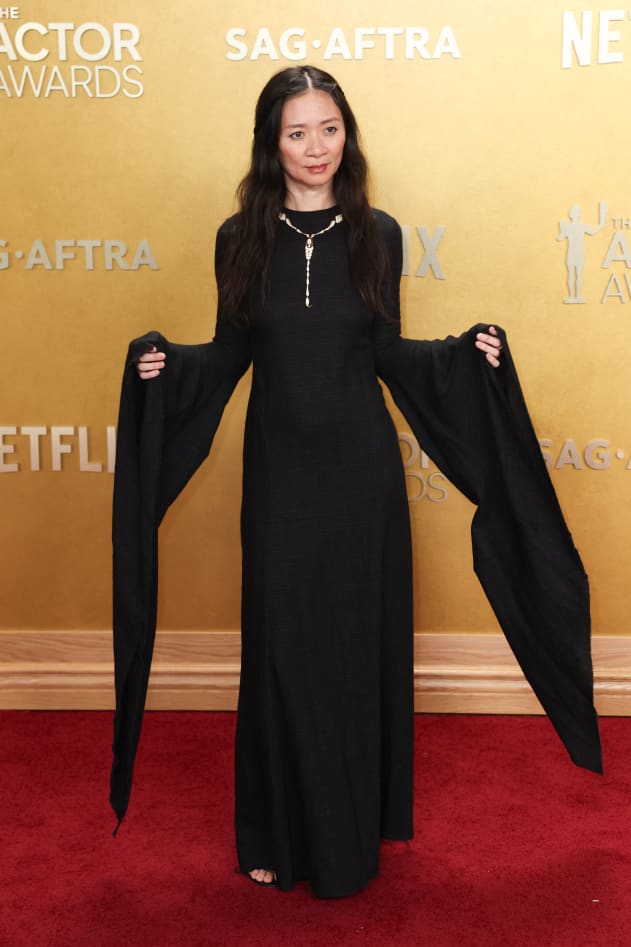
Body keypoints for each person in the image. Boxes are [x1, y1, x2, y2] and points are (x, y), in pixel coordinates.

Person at [111, 65, 600, 899]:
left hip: (360, 479)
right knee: (280, 650)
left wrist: (461, 353)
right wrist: (165, 369)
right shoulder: (241, 238)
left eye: (328, 128)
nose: (314, 147)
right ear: (271, 142)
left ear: (348, 132)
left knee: (348, 649)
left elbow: (383, 352)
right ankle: (273, 832)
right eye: (296, 132)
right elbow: (231, 356)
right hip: (279, 479)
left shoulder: (380, 233)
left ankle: (346, 839)